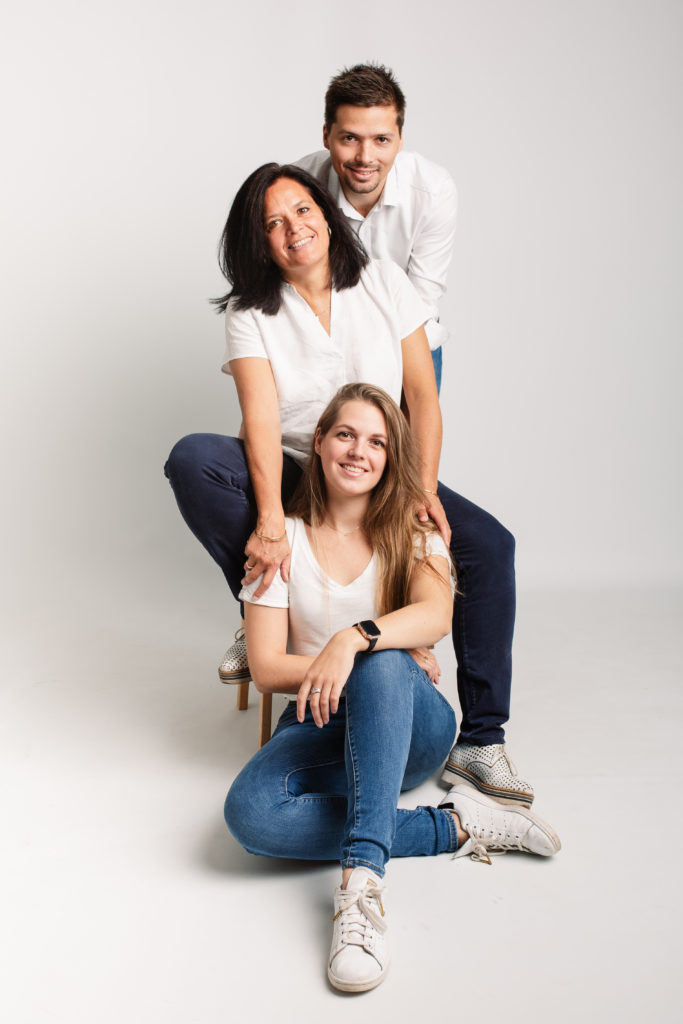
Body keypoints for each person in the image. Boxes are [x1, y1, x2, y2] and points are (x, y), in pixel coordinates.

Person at [165, 161, 532, 806]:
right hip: (303, 466)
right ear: (259, 241)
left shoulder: (382, 280)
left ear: (325, 214)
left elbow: (421, 393)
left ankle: (480, 741)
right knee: (194, 459)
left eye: (303, 210)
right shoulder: (253, 312)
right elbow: (260, 419)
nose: (293, 229)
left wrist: (421, 489)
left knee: (490, 544)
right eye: (273, 223)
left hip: (382, 466)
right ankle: (263, 613)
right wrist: (273, 524)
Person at [224, 383, 561, 994]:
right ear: (319, 441)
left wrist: (353, 640)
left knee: (380, 662)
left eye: (377, 442)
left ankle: (360, 889)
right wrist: (342, 659)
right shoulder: (281, 541)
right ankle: (460, 826)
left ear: (390, 458)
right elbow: (270, 667)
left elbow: (434, 616)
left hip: (413, 728)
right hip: (318, 719)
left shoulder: (413, 529)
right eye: (346, 434)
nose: (359, 452)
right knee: (250, 816)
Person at [294, 63, 456, 394]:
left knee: (410, 444)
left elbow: (423, 297)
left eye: (381, 139)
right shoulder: (299, 187)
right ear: (326, 135)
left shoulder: (433, 191)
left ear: (399, 140)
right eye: (350, 138)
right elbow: (291, 289)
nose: (365, 157)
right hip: (322, 335)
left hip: (409, 333)